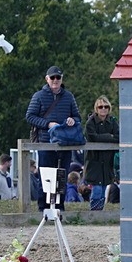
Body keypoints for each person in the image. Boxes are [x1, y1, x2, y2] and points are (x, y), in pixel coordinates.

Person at [26, 65, 81, 211]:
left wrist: (72, 120)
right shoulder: (38, 96)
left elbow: (77, 116)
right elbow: (30, 117)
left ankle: (59, 206)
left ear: (61, 79)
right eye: (52, 77)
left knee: (61, 175)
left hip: (65, 141)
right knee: (45, 176)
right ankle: (43, 207)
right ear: (47, 79)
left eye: (58, 77)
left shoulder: (68, 96)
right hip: (45, 141)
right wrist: (47, 124)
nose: (55, 80)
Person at [83, 95, 119, 210]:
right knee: (97, 189)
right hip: (94, 161)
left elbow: (118, 137)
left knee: (104, 188)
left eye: (106, 106)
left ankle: (100, 211)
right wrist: (110, 136)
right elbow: (93, 137)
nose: (103, 109)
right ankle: (94, 212)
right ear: (96, 108)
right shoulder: (90, 122)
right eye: (100, 107)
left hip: (107, 160)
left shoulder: (112, 121)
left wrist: (103, 137)